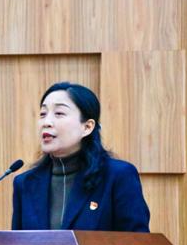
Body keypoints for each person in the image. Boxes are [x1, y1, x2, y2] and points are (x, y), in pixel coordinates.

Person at [11, 82, 150, 232]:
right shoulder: (25, 183)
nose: (46, 122)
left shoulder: (117, 176)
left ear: (87, 127)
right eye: (43, 114)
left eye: (59, 113)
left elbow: (137, 242)